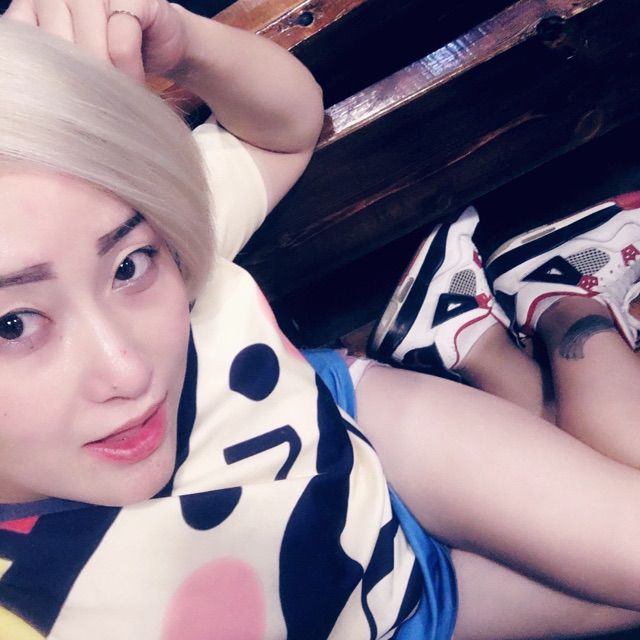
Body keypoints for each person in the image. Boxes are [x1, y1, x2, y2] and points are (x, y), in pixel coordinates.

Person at [0, 2, 638, 640]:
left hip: (355, 435)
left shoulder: (79, 212)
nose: (128, 370)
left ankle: (539, 316)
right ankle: (516, 322)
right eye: (13, 325)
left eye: (129, 265)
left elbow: (283, 131)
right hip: (391, 610)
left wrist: (184, 41)